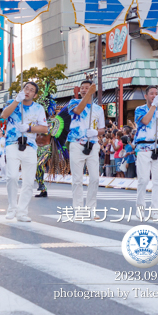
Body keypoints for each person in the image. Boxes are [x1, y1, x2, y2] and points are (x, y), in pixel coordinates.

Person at [2, 82, 48, 221]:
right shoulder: (13, 102)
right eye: (26, 88)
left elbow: (44, 128)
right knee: (12, 177)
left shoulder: (38, 108)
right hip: (12, 144)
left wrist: (29, 128)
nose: (28, 91)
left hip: (30, 146)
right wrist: (17, 100)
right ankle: (12, 208)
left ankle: (22, 212)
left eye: (31, 90)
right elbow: (4, 115)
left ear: (35, 95)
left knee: (28, 181)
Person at [67, 80, 105, 219]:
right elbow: (78, 111)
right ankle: (78, 209)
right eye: (82, 88)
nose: (84, 90)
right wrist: (88, 94)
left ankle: (91, 209)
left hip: (92, 144)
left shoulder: (98, 109)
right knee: (77, 179)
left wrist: (95, 132)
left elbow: (102, 128)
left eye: (87, 88)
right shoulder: (73, 103)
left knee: (94, 178)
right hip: (76, 144)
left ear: (93, 89)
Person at [134, 85, 158, 218]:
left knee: (157, 181)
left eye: (156, 94)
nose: (154, 96)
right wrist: (153, 108)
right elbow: (144, 121)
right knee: (143, 180)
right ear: (146, 96)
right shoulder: (140, 109)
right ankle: (140, 209)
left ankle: (154, 210)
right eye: (151, 93)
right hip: (143, 148)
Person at [34, 132, 52, 198]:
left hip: (46, 149)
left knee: (39, 164)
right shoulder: (36, 123)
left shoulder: (53, 123)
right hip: (37, 148)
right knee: (35, 169)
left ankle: (42, 186)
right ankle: (43, 190)